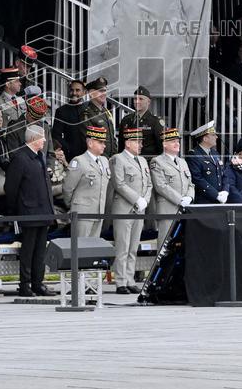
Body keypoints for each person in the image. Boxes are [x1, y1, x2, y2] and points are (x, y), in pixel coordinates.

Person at [3, 124, 56, 297]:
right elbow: (11, 187)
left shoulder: (39, 157)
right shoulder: (20, 158)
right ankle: (25, 284)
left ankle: (38, 283)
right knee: (28, 251)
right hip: (29, 212)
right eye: (42, 137)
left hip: (43, 211)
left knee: (40, 251)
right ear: (33, 139)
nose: (45, 140)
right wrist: (15, 210)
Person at [110, 127, 153, 294]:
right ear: (128, 143)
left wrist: (145, 200)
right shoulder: (118, 159)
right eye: (137, 142)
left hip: (139, 209)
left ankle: (130, 279)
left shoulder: (142, 160)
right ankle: (120, 281)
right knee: (122, 247)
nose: (140, 145)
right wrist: (136, 199)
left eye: (141, 142)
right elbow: (119, 184)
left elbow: (148, 184)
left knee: (133, 247)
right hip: (124, 208)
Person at [62, 124, 111, 238]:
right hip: (82, 212)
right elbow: (68, 187)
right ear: (90, 143)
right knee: (80, 245)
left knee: (93, 246)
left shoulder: (104, 161)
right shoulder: (79, 161)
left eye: (104, 142)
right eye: (100, 142)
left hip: (99, 212)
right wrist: (74, 205)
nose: (104, 145)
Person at [149, 128, 194, 244]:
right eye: (173, 141)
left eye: (178, 141)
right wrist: (180, 200)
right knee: (165, 244)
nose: (177, 144)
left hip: (185, 209)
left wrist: (189, 197)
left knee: (183, 244)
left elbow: (190, 184)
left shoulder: (182, 162)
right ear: (164, 144)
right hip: (168, 209)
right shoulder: (157, 161)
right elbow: (160, 185)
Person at [187, 121, 227, 204]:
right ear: (205, 138)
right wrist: (216, 195)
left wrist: (225, 190)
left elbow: (223, 173)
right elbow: (197, 179)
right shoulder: (194, 154)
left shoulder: (215, 153)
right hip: (204, 200)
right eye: (213, 135)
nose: (216, 137)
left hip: (220, 199)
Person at [117, 86, 164, 157]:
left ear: (148, 102)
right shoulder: (126, 120)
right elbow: (121, 145)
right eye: (135, 99)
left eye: (141, 99)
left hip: (147, 160)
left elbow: (161, 147)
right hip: (128, 161)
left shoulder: (155, 121)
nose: (137, 101)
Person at [79, 77, 117, 157]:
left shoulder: (106, 112)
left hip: (110, 160)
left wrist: (114, 157)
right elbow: (89, 142)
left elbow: (112, 138)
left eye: (105, 91)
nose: (104, 93)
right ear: (91, 93)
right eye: (100, 91)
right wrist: (104, 159)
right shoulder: (87, 113)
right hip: (97, 159)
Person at [52, 79, 87, 159]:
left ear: (84, 92)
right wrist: (68, 149)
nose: (74, 93)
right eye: (71, 90)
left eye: (77, 90)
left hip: (89, 156)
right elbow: (56, 135)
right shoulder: (61, 111)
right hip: (70, 157)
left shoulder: (89, 109)